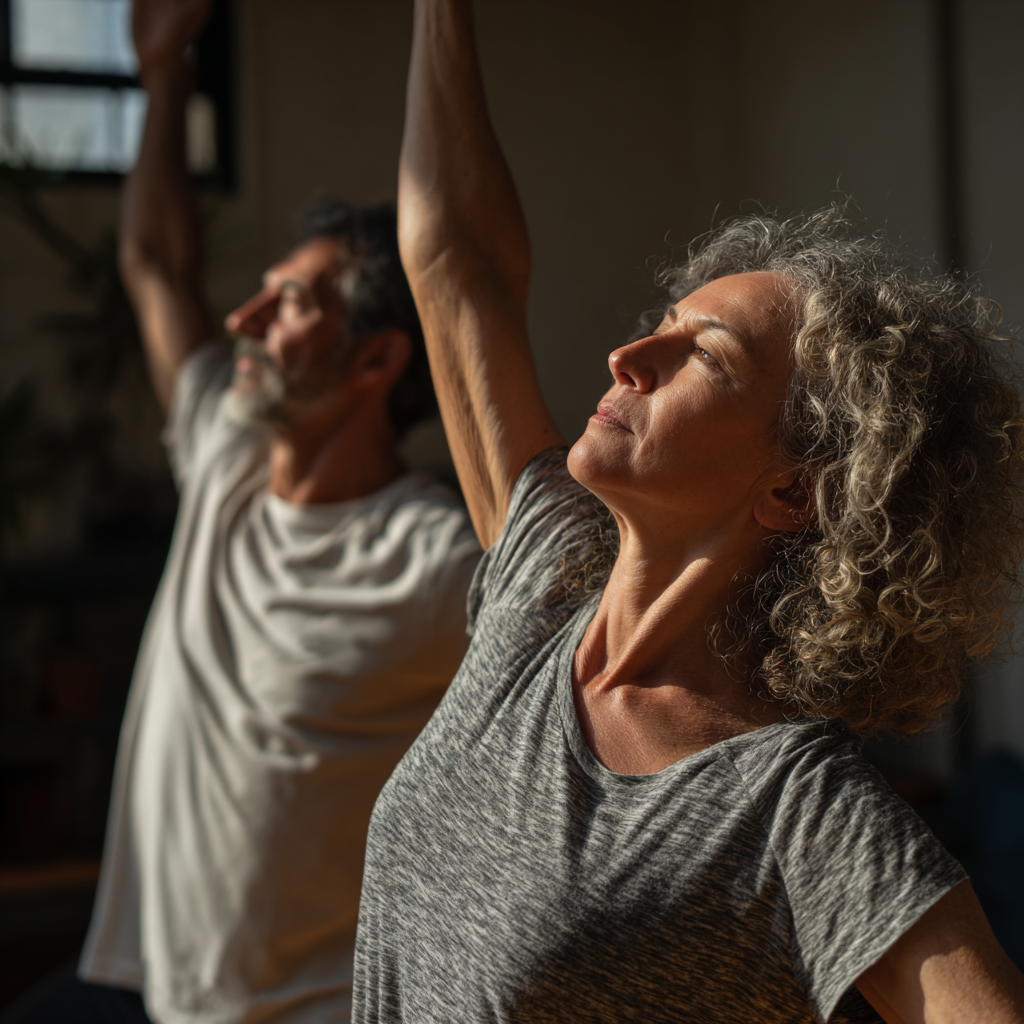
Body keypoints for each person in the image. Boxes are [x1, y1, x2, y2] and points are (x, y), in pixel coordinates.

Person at [350, 1, 1024, 1021]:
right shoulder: (542, 585)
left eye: (702, 355)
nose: (631, 357)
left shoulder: (792, 802)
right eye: (662, 325)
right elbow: (458, 273)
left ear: (795, 489)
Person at [4, 2, 481, 1023]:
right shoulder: (224, 451)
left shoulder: (435, 555)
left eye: (292, 304)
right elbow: (155, 267)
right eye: (263, 293)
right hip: (140, 984)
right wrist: (165, 78)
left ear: (377, 359)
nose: (245, 321)